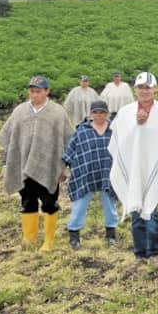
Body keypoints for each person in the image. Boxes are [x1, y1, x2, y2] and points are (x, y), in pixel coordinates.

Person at [109, 72, 158, 268]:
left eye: (148, 87)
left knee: (151, 209)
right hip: (133, 167)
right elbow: (119, 140)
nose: (144, 91)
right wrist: (136, 124)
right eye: (141, 87)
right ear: (135, 89)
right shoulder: (126, 113)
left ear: (155, 89)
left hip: (152, 167)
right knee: (135, 209)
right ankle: (139, 254)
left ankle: (154, 253)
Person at [0, 75, 74, 252]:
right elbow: (10, 140)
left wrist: (64, 168)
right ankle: (29, 238)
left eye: (39, 91)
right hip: (23, 166)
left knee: (49, 203)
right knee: (27, 202)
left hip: (49, 167)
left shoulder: (57, 112)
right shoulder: (19, 111)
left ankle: (49, 240)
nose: (35, 95)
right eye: (32, 91)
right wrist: (5, 164)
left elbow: (68, 140)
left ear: (47, 91)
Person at [62, 99, 118, 249]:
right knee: (79, 205)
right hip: (86, 173)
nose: (99, 115)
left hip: (108, 173)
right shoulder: (82, 131)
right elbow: (70, 151)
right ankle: (74, 235)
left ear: (107, 113)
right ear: (91, 114)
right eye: (96, 112)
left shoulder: (114, 130)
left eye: (102, 112)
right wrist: (62, 169)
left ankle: (111, 234)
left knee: (110, 205)